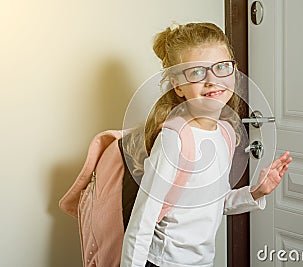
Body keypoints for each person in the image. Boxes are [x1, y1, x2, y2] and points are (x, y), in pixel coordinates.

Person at [120, 22, 292, 267]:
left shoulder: (225, 134)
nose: (212, 80)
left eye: (222, 67)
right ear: (178, 85)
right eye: (197, 72)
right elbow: (142, 221)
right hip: (164, 262)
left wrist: (256, 192)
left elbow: (214, 202)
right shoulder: (175, 139)